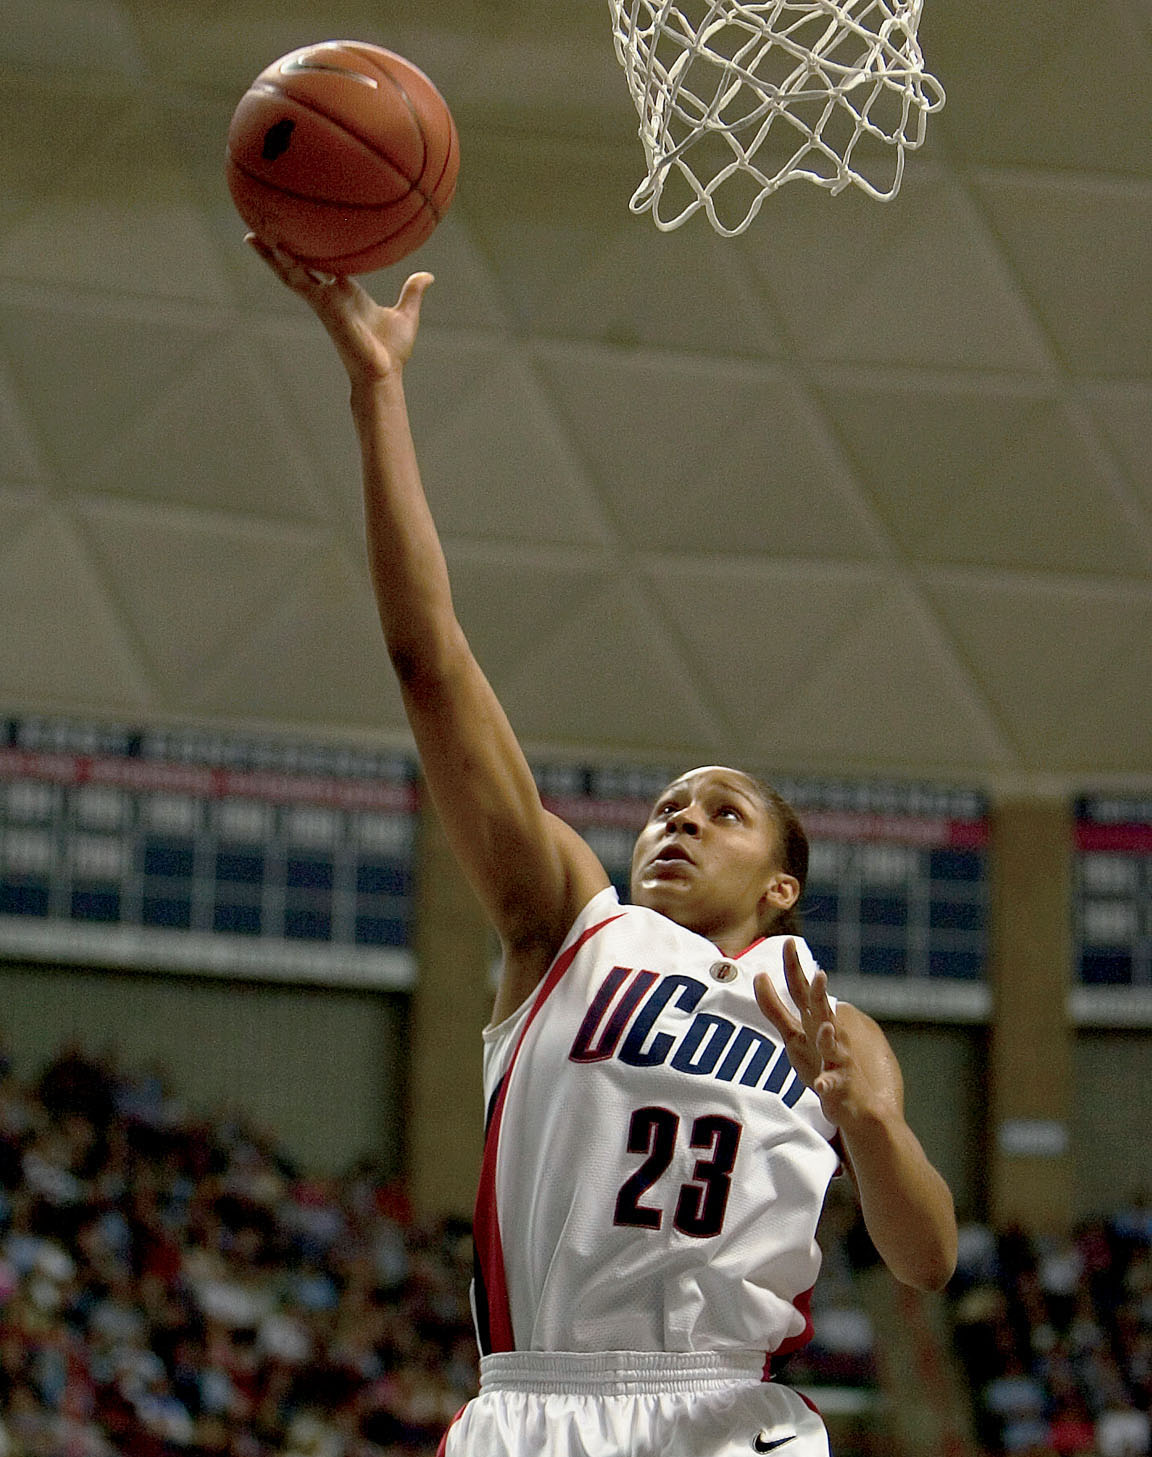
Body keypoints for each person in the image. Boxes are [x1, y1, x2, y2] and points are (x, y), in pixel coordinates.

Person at [247, 240, 958, 1457]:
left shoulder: (821, 1011)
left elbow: (926, 1255)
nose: (678, 817)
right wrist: (377, 391)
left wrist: (874, 1127)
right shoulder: (571, 922)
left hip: (735, 1413)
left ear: (782, 884)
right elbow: (431, 663)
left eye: (722, 809)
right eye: (667, 804)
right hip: (536, 1408)